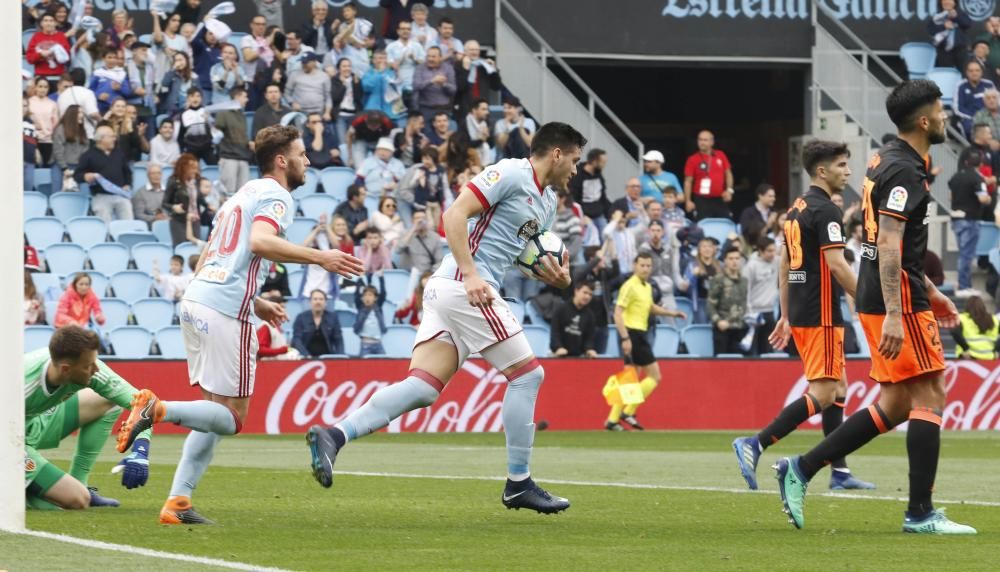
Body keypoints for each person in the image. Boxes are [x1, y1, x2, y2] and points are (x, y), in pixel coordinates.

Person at [306, 122, 589, 514]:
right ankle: (518, 482)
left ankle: (333, 435)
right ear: (557, 153)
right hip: (465, 285)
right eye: (575, 160)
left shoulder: (548, 204)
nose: (576, 169)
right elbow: (455, 215)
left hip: (454, 288)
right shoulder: (510, 172)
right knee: (527, 375)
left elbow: (522, 255)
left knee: (422, 388)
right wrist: (471, 273)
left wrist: (556, 276)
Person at [130, 126, 363, 525]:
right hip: (223, 312)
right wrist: (320, 257)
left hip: (197, 300)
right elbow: (259, 242)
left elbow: (209, 259)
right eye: (302, 154)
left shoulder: (239, 197)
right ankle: (158, 408)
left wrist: (256, 301)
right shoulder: (276, 195)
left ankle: (178, 503)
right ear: (281, 160)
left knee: (211, 413)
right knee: (233, 418)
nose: (308, 161)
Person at [773, 80, 975, 535]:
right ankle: (920, 513)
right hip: (894, 296)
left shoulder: (885, 157)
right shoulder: (904, 171)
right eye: (941, 110)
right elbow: (885, 243)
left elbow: (884, 242)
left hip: (881, 290)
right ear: (924, 121)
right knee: (931, 395)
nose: (945, 117)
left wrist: (932, 290)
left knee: (896, 403)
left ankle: (800, 469)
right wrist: (898, 314)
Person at [733, 140, 876, 492]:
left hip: (801, 308)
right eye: (843, 165)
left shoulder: (795, 209)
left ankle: (839, 472)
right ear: (822, 171)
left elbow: (785, 265)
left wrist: (785, 313)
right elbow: (838, 266)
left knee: (838, 387)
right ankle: (756, 443)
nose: (849, 171)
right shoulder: (826, 211)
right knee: (826, 391)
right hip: (821, 311)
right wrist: (874, 302)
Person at [26, 326, 247, 511]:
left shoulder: (87, 368)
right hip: (10, 440)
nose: (96, 370)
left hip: (39, 422)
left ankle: (79, 481)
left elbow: (141, 403)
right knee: (76, 500)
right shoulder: (22, 383)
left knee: (106, 401)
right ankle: (23, 491)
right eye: (88, 366)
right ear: (66, 369)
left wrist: (140, 451)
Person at [608, 252, 687, 431]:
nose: (645, 269)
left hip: (639, 333)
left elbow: (649, 307)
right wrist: (625, 337)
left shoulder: (646, 287)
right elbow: (617, 312)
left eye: (648, 266)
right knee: (655, 376)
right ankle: (628, 411)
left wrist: (672, 313)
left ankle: (612, 420)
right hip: (633, 333)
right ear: (635, 266)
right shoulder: (629, 286)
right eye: (642, 265)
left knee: (630, 379)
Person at [949, 146, 992, 297]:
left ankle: (963, 284)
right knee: (967, 255)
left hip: (956, 219)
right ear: (980, 164)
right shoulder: (977, 178)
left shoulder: (956, 176)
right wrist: (989, 199)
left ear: (966, 161)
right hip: (970, 219)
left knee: (963, 253)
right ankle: (964, 286)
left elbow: (951, 197)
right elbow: (983, 198)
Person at [73, 124, 133, 222]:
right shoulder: (88, 155)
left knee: (128, 221)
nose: (114, 139)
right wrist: (85, 176)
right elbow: (77, 175)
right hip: (101, 196)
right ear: (101, 138)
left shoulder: (119, 153)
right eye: (111, 136)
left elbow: (127, 172)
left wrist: (127, 184)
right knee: (104, 223)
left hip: (120, 194)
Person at [683, 130, 734, 220]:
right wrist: (688, 201)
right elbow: (688, 181)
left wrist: (729, 190)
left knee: (725, 222)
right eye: (700, 140)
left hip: (720, 198)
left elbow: (728, 174)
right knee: (703, 225)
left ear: (712, 142)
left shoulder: (720, 155)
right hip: (701, 200)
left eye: (705, 140)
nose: (702, 142)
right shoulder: (692, 159)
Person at [741, 237, 780, 356]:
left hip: (769, 312)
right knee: (752, 349)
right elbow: (745, 289)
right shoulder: (751, 266)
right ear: (761, 251)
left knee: (768, 349)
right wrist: (748, 311)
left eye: (774, 250)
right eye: (769, 251)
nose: (772, 254)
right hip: (754, 312)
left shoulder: (778, 261)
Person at [707, 247, 748, 354]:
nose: (734, 261)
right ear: (725, 261)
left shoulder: (744, 281)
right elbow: (710, 304)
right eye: (731, 258)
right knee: (722, 364)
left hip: (740, 327)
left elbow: (745, 303)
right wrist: (718, 321)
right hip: (723, 327)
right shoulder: (718, 279)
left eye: (737, 258)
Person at [214, 87, 253, 197]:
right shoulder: (223, 113)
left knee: (244, 194)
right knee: (227, 193)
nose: (247, 100)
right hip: (228, 157)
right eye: (245, 97)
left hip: (243, 157)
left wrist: (249, 143)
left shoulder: (242, 115)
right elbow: (217, 134)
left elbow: (241, 136)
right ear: (237, 97)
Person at [163, 154, 204, 247]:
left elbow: (199, 199)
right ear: (184, 167)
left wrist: (208, 205)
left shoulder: (196, 180)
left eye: (196, 168)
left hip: (195, 219)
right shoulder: (173, 181)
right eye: (192, 168)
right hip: (179, 221)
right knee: (182, 247)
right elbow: (164, 203)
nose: (195, 171)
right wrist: (174, 207)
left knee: (195, 249)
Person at [550, 282, 598, 358]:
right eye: (585, 292)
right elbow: (555, 332)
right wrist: (558, 347)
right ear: (576, 291)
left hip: (580, 357)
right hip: (558, 354)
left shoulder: (590, 315)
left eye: (590, 294)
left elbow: (589, 338)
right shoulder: (561, 309)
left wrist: (589, 349)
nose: (587, 297)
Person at [292, 289, 346, 357]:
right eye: (315, 299)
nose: (318, 302)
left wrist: (340, 357)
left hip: (328, 358)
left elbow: (338, 340)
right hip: (305, 358)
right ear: (310, 302)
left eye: (321, 299)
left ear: (326, 302)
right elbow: (297, 340)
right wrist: (306, 355)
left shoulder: (333, 317)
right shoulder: (301, 318)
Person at [386, 19, 426, 108]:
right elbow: (388, 65)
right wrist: (401, 59)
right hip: (397, 88)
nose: (406, 31)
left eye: (408, 29)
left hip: (414, 87)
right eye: (403, 29)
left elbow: (424, 64)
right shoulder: (391, 46)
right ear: (398, 31)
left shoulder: (417, 46)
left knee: (415, 113)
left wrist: (414, 59)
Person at [455, 40, 500, 117]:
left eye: (477, 50)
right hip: (466, 108)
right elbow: (460, 88)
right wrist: (466, 70)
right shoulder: (458, 65)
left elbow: (496, 87)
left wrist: (493, 70)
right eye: (472, 50)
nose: (475, 52)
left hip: (483, 108)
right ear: (465, 51)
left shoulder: (484, 66)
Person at [569, 148, 609, 234]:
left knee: (607, 235)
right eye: (603, 162)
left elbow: (603, 197)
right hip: (585, 216)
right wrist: (582, 216)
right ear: (594, 162)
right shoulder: (578, 175)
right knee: (590, 239)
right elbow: (574, 198)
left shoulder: (598, 175)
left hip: (599, 215)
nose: (604, 165)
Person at [413, 46, 456, 125]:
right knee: (427, 134)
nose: (430, 59)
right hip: (426, 109)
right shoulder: (420, 68)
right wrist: (431, 81)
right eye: (428, 56)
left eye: (433, 57)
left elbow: (453, 90)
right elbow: (416, 86)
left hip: (444, 109)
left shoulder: (448, 68)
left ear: (440, 57)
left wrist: (443, 84)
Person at [954, 60, 996, 137]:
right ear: (967, 73)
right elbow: (958, 108)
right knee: (972, 128)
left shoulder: (989, 84)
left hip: (988, 117)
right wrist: (976, 117)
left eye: (977, 70)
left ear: (982, 72)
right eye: (971, 71)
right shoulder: (961, 86)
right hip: (969, 119)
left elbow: (997, 103)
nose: (974, 73)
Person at [927, 0, 972, 69]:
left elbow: (967, 24)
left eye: (950, 0)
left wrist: (956, 17)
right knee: (945, 73)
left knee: (964, 71)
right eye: (944, 0)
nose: (947, 2)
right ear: (941, 3)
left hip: (960, 49)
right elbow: (931, 30)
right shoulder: (936, 16)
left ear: (954, 3)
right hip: (943, 50)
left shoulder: (960, 14)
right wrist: (944, 26)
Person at [951, 295, 999, 359]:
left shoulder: (962, 318)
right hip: (989, 357)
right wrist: (996, 350)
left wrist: (966, 349)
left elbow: (954, 332)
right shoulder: (994, 319)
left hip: (968, 358)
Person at [26, 13, 71, 82]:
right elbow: (29, 58)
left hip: (58, 76)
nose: (48, 23)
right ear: (41, 23)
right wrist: (40, 55)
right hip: (40, 77)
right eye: (45, 20)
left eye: (51, 21)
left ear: (55, 23)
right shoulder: (36, 36)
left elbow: (67, 57)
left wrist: (55, 53)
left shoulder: (61, 36)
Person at [329, 58, 363, 146]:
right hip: (340, 115)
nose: (347, 68)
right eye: (344, 66)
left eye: (349, 66)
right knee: (342, 142)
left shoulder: (356, 79)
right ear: (339, 68)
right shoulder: (334, 80)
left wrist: (356, 84)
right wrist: (343, 86)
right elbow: (335, 98)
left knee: (354, 141)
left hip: (354, 115)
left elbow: (359, 97)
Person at [287, 52, 332, 118]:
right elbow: (287, 93)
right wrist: (292, 102)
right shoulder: (294, 74)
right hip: (300, 112)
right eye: (302, 62)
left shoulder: (324, 76)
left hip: (319, 112)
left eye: (306, 62)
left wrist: (327, 112)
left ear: (314, 62)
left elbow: (328, 96)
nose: (303, 64)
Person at [354, 275, 389, 356]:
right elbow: (356, 294)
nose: (367, 297)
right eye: (365, 295)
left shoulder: (378, 307)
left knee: (384, 365)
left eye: (370, 295)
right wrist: (360, 278)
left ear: (375, 298)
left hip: (378, 344)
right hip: (365, 344)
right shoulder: (361, 307)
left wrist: (381, 277)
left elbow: (383, 293)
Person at [29, 78, 59, 169]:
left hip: (47, 140)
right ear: (35, 88)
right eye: (40, 86)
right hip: (31, 139)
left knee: (46, 167)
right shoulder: (29, 102)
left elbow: (56, 123)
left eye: (45, 87)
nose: (43, 89)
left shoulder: (52, 104)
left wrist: (50, 134)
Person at [493, 96, 535, 161]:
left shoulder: (529, 122)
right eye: (504, 108)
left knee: (518, 131)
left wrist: (521, 128)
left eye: (509, 108)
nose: (506, 110)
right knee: (515, 132)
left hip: (523, 157)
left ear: (517, 109)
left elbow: (529, 144)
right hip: (506, 158)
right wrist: (507, 128)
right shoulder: (500, 123)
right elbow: (501, 146)